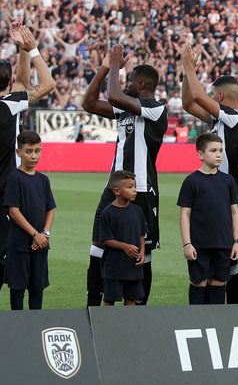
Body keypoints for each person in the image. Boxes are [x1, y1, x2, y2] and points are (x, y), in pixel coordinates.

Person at [0, 23, 55, 311]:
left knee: (0, 253)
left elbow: (21, 82)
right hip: (7, 185)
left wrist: (20, 49)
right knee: (5, 254)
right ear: (7, 82)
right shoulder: (10, 104)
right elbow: (47, 84)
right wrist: (32, 50)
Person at [82, 45, 167, 306]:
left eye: (130, 80)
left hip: (141, 189)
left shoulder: (156, 108)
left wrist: (114, 66)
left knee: (144, 251)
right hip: (113, 187)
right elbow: (88, 103)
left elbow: (114, 95)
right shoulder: (126, 109)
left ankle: (138, 309)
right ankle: (94, 306)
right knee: (98, 244)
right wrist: (105, 67)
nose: (126, 83)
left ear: (140, 85)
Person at [181, 43, 238, 304]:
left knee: (231, 260)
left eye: (212, 94)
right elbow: (188, 103)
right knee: (211, 256)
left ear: (219, 97)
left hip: (228, 193)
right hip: (213, 190)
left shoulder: (237, 118)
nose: (209, 97)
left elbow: (198, 97)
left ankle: (231, 310)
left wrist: (190, 67)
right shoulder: (222, 119)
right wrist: (185, 72)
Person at [178, 133, 238, 305]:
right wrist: (187, 244)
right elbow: (185, 214)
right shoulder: (191, 181)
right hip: (199, 245)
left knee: (219, 283)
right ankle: (196, 319)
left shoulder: (228, 181)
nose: (219, 154)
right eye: (213, 151)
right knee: (198, 283)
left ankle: (217, 321)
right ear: (201, 154)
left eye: (220, 150)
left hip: (223, 244)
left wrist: (236, 241)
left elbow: (235, 213)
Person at [3, 130, 56, 311]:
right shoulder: (14, 178)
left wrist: (44, 234)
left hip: (40, 244)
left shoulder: (43, 179)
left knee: (37, 288)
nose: (33, 156)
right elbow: (14, 211)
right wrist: (34, 234)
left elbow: (50, 209)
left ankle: (36, 324)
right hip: (19, 244)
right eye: (28, 151)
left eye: (37, 151)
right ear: (19, 152)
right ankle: (18, 324)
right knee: (17, 289)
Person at [98, 171, 147, 307]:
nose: (134, 190)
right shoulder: (108, 212)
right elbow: (105, 239)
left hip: (133, 266)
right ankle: (106, 321)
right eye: (130, 187)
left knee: (131, 299)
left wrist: (142, 251)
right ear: (117, 191)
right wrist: (125, 246)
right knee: (109, 300)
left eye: (135, 187)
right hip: (114, 267)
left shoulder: (137, 210)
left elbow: (142, 233)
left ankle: (129, 321)